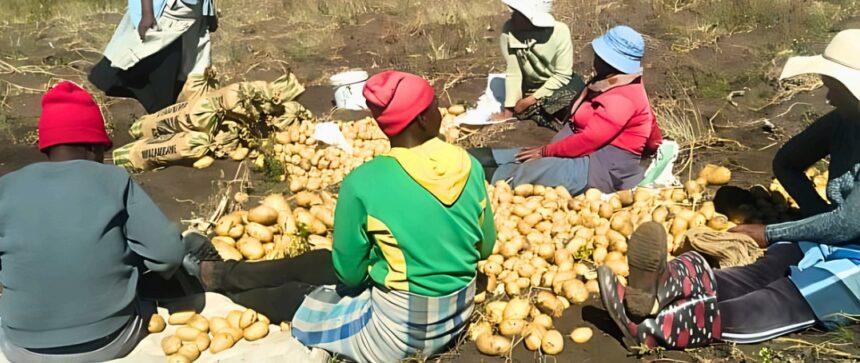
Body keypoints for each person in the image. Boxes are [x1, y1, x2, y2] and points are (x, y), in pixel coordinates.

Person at [183, 71, 497, 362]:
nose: (440, 111)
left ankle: (222, 292)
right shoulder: (468, 164)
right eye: (436, 105)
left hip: (402, 336)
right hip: (456, 315)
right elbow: (483, 249)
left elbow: (349, 275)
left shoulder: (365, 181)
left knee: (299, 296)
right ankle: (222, 275)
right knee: (320, 261)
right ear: (425, 118)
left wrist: (382, 257)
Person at [597, 29, 860, 350]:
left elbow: (850, 223)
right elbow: (787, 163)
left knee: (783, 298)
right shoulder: (842, 122)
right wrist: (820, 216)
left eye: (834, 88)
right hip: (831, 240)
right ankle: (664, 285)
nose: (828, 97)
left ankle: (658, 328)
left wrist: (770, 232)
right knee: (763, 270)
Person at [0, 81, 186, 361]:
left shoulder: (6, 188)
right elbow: (168, 255)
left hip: (23, 349)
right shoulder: (113, 179)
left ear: (47, 146)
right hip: (109, 339)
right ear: (92, 146)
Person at [474, 25, 662, 196]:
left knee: (524, 173)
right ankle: (466, 161)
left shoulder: (622, 99)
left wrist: (546, 151)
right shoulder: (608, 82)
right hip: (576, 151)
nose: (595, 59)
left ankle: (470, 179)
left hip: (595, 169)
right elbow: (653, 134)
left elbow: (589, 140)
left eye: (599, 56)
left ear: (610, 62)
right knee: (511, 156)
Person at [88, 0, 217, 113]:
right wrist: (147, 13)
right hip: (165, 16)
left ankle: (160, 119)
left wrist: (208, 11)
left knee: (172, 84)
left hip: (189, 15)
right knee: (112, 75)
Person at [493, 0, 585, 131]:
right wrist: (509, 110)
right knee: (523, 111)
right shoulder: (508, 30)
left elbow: (562, 74)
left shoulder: (560, 31)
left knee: (573, 97)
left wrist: (530, 100)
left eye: (518, 13)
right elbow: (514, 71)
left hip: (558, 85)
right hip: (531, 87)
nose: (513, 16)